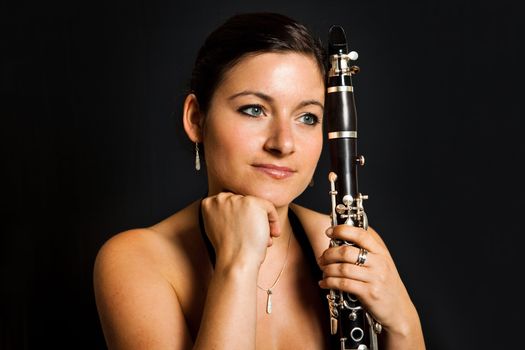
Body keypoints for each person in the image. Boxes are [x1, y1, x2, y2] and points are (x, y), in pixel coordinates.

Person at [93, 12, 425, 349]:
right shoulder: (137, 260)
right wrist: (237, 263)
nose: (283, 143)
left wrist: (403, 323)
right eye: (254, 110)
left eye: (307, 117)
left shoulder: (354, 248)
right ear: (196, 118)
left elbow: (402, 328)